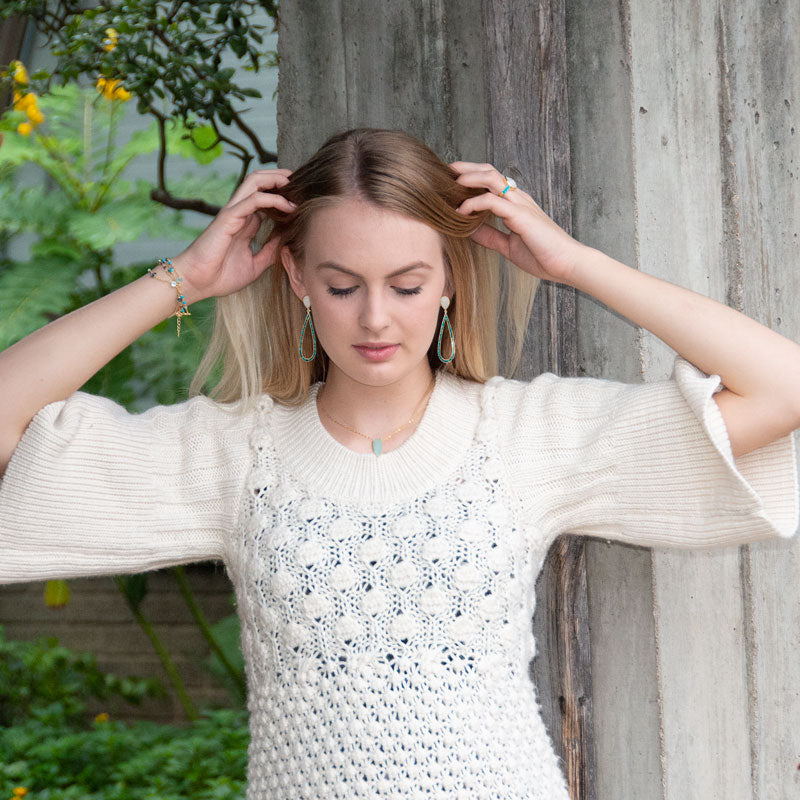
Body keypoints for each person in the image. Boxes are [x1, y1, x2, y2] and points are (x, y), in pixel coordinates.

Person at [0, 127, 798, 799]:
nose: (376, 318)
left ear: (449, 279)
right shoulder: (233, 454)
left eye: (408, 285)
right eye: (343, 285)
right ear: (296, 277)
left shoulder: (527, 437)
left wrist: (575, 264)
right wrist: (184, 279)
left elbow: (783, 388)